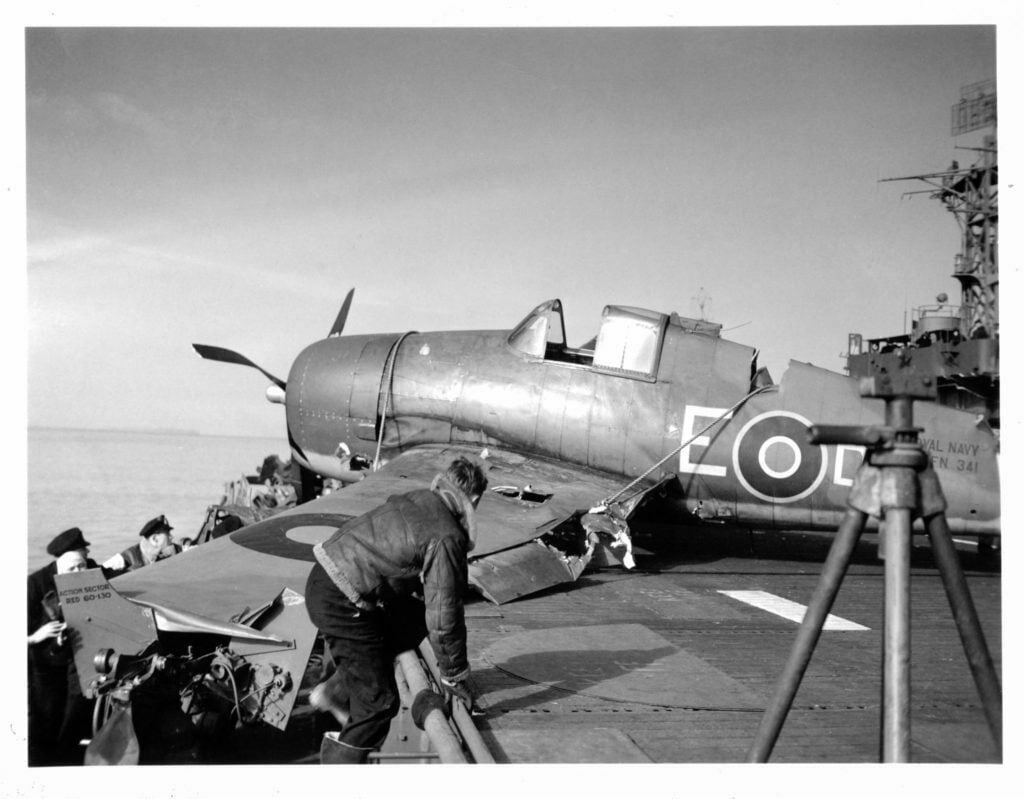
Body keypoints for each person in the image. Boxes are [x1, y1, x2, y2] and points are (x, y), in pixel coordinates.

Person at [304, 456, 488, 763]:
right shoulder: (447, 535)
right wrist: (454, 677)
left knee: (415, 618)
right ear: (475, 499)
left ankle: (337, 690)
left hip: (323, 579)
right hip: (342, 600)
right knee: (379, 704)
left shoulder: (418, 498)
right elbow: (445, 618)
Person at [27, 527, 99, 766]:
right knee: (44, 721)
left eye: (83, 565)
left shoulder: (87, 572)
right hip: (43, 667)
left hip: (75, 658)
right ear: (60, 563)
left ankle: (67, 758)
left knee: (74, 717)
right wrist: (36, 636)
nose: (79, 572)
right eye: (73, 568)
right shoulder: (34, 584)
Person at [102, 515, 179, 576]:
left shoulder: (174, 550)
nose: (171, 537)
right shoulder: (124, 560)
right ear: (154, 539)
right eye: (167, 534)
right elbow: (98, 577)